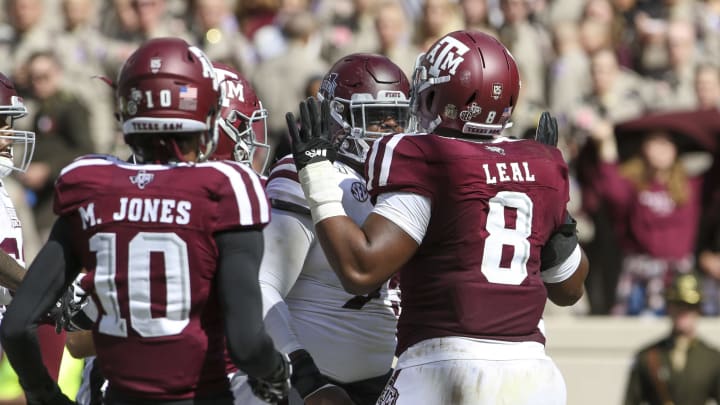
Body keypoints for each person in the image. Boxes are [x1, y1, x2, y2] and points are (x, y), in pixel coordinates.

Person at [285, 30, 589, 405]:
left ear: (436, 95)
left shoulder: (421, 155)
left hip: (443, 368)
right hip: (535, 375)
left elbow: (360, 270)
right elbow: (570, 289)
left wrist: (315, 175)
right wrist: (552, 209)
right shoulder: (541, 163)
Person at [0, 37, 290, 405]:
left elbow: (18, 324)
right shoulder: (229, 189)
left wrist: (44, 394)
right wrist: (278, 375)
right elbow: (247, 342)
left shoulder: (91, 183)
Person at [241, 53, 409, 405]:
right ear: (338, 118)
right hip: (311, 385)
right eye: (377, 119)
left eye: (399, 119)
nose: (391, 131)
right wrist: (305, 376)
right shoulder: (313, 174)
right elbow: (260, 285)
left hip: (384, 382)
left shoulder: (406, 183)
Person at [623, 273, 720, 405]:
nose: (683, 311)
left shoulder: (712, 358)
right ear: (669, 307)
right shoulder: (648, 356)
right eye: (678, 304)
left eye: (689, 306)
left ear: (699, 310)